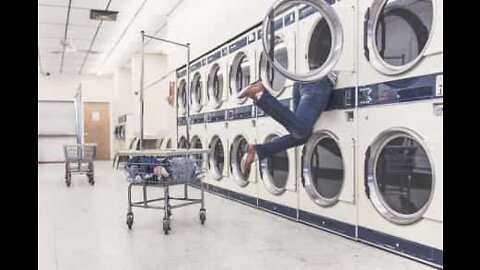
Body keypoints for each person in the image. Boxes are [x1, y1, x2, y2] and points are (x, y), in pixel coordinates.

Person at [238, 71, 338, 173]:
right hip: (318, 82)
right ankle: (260, 94)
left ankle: (258, 152)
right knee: (301, 130)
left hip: (303, 84)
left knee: (302, 135)